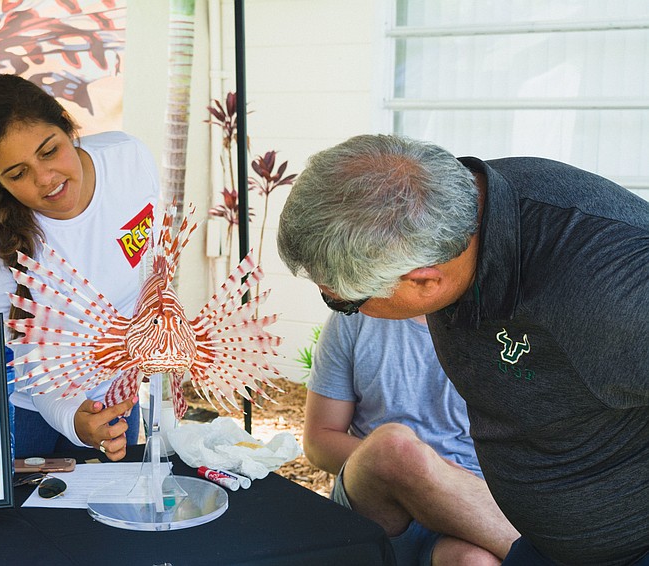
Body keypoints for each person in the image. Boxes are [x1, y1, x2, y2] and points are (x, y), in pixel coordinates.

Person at [277, 134, 649, 565]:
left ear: (425, 280)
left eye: (343, 301)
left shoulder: (616, 290)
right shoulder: (458, 209)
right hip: (543, 540)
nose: (344, 312)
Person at [0, 73, 159, 462]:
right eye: (18, 174)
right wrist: (73, 419)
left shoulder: (129, 158)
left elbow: (151, 266)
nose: (45, 179)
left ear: (69, 129)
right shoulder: (5, 249)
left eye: (50, 151)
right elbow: (32, 366)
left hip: (114, 397)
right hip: (22, 408)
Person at [306, 312, 518, 565]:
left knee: (474, 562)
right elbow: (318, 440)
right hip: (377, 505)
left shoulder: (509, 327)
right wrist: (424, 469)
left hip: (472, 512)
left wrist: (443, 481)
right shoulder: (353, 316)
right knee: (394, 447)